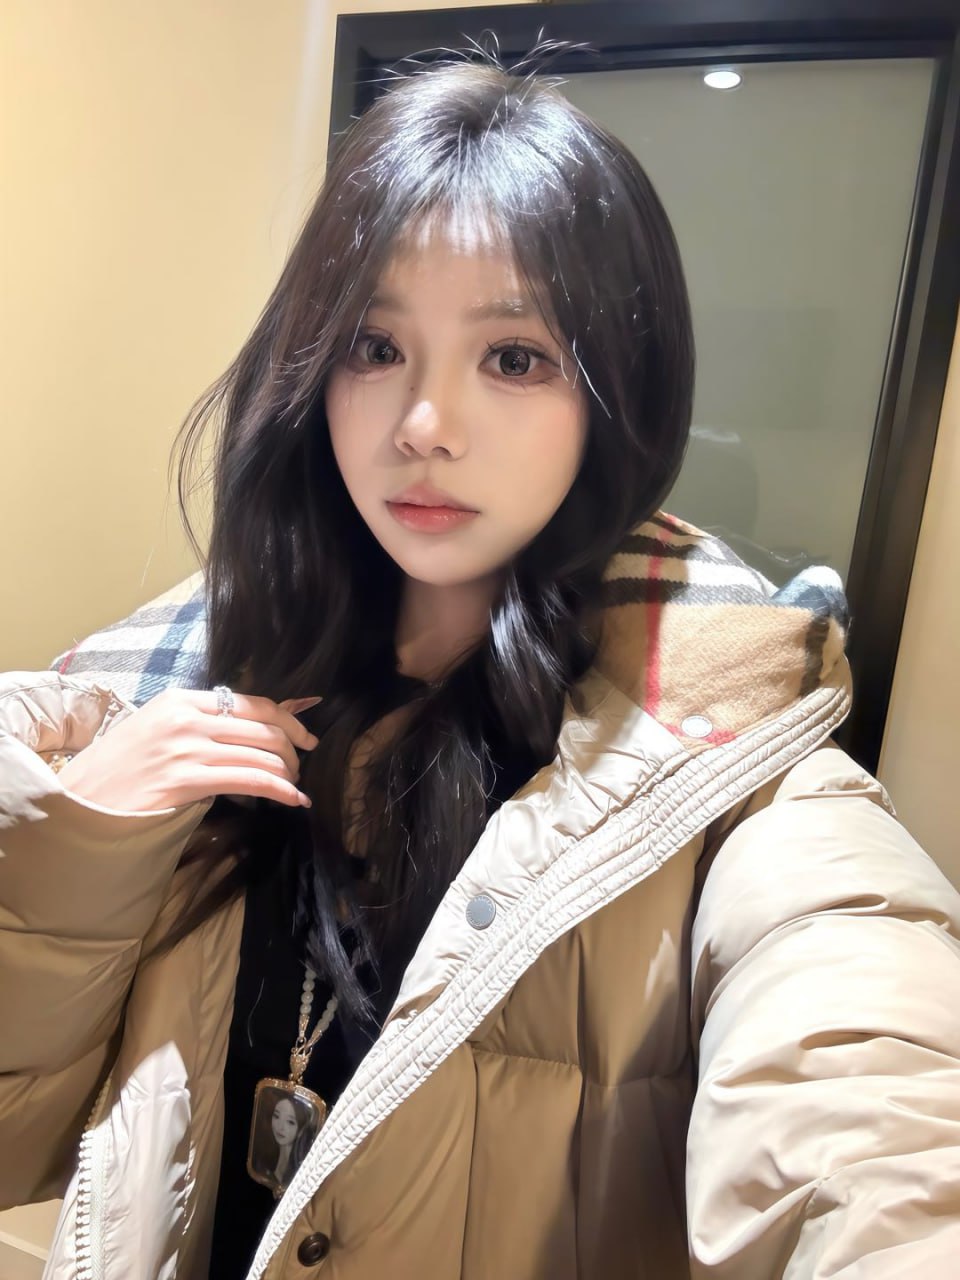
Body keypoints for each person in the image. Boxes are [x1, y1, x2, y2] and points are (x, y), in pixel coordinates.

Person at [1, 39, 959, 1280]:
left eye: (514, 357)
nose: (423, 425)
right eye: (373, 346)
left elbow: (870, 1106)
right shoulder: (171, 685)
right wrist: (80, 835)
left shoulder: (728, 768)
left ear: (616, 395)